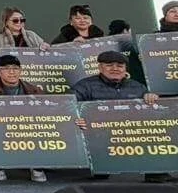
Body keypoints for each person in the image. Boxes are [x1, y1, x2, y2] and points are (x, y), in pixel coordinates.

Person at [71, 51, 171, 183]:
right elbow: (69, 108)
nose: (115, 69)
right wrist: (77, 119)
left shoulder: (137, 86)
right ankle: (100, 169)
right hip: (97, 133)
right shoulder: (84, 86)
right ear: (100, 67)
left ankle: (156, 172)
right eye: (109, 65)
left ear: (125, 69)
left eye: (120, 66)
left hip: (130, 132)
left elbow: (153, 112)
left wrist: (151, 97)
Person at [0, 55, 48, 183]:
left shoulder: (34, 90)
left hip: (27, 128)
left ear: (20, 71)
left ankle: (37, 167)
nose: (12, 72)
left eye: (15, 68)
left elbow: (48, 112)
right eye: (6, 68)